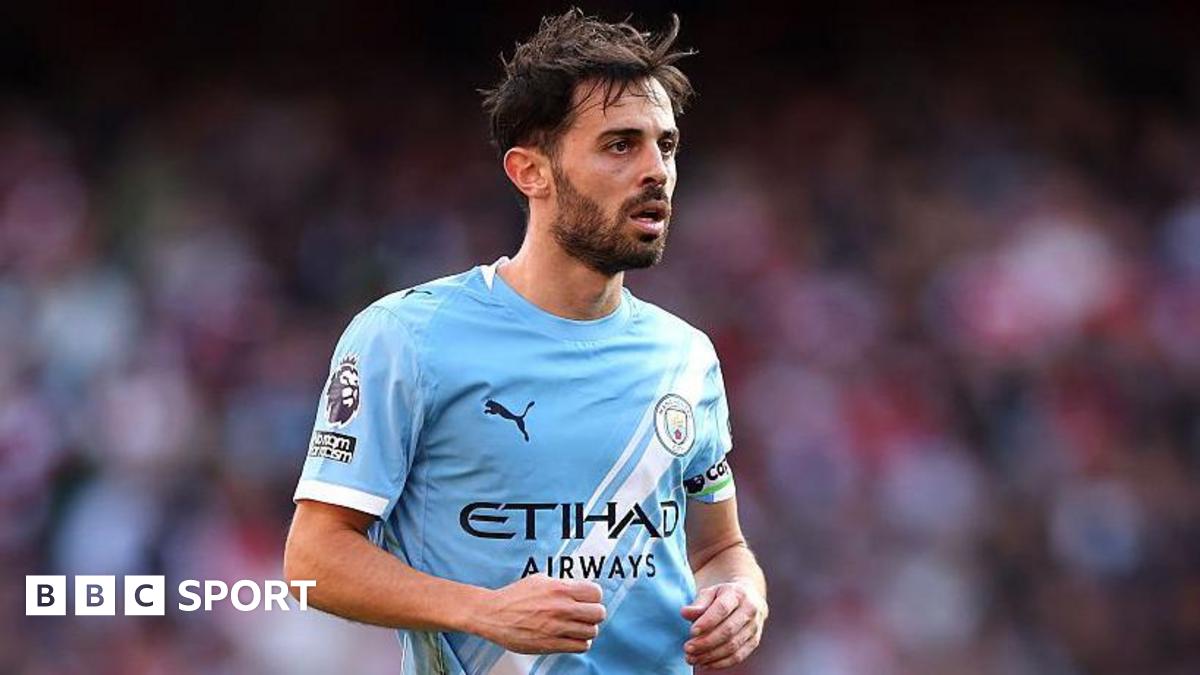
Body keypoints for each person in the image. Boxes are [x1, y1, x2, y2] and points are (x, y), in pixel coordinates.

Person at [284, 9, 768, 673]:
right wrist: (479, 609)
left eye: (668, 145)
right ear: (530, 172)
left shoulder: (685, 357)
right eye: (620, 144)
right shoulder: (407, 338)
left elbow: (720, 548)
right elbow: (312, 558)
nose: (656, 169)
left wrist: (742, 595)